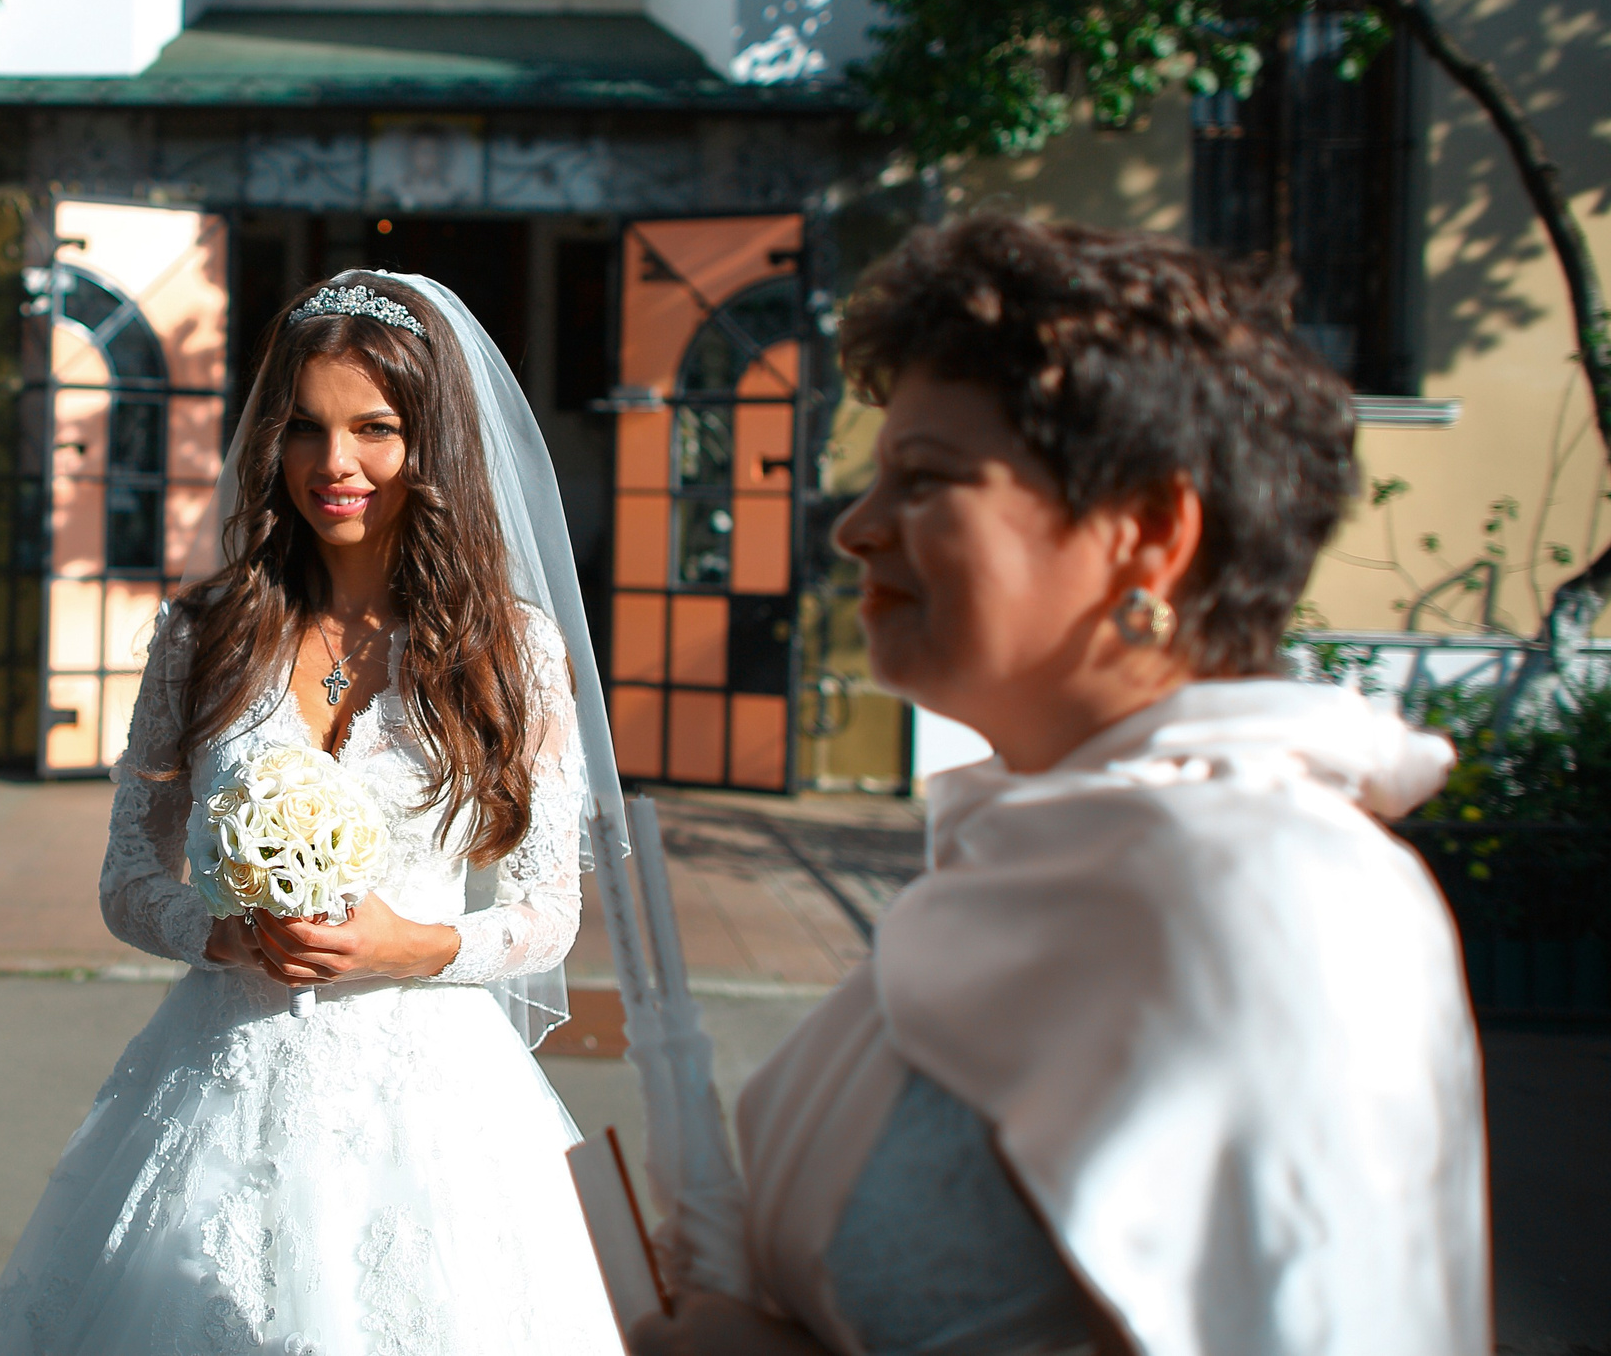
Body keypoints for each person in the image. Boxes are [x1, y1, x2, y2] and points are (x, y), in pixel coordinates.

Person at [631, 215, 1485, 1356]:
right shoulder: (1038, 846)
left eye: (925, 480)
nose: (854, 530)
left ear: (1146, 532)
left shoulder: (1270, 898)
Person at [0, 272, 626, 1354]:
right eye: (306, 430)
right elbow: (126, 879)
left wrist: (410, 943)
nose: (336, 465)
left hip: (434, 1104)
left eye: (375, 429)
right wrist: (211, 930)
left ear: (432, 442)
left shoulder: (511, 650)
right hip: (222, 1076)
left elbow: (550, 911)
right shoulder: (207, 634)